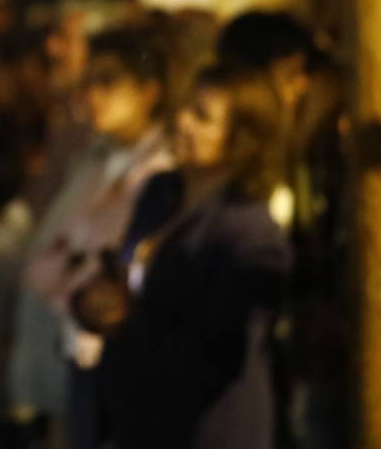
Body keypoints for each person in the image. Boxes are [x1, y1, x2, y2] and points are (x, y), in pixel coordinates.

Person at [77, 62, 290, 449]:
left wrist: (129, 321)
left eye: (202, 116)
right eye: (185, 107)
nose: (183, 122)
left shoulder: (247, 231)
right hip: (136, 419)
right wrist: (95, 301)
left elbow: (221, 351)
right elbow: (129, 280)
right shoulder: (159, 193)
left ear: (240, 138)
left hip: (206, 430)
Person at [17, 27, 174, 449]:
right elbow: (53, 242)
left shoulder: (162, 170)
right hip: (69, 331)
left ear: (148, 92)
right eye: (88, 82)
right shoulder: (93, 155)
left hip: (115, 339)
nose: (93, 94)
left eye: (107, 82)